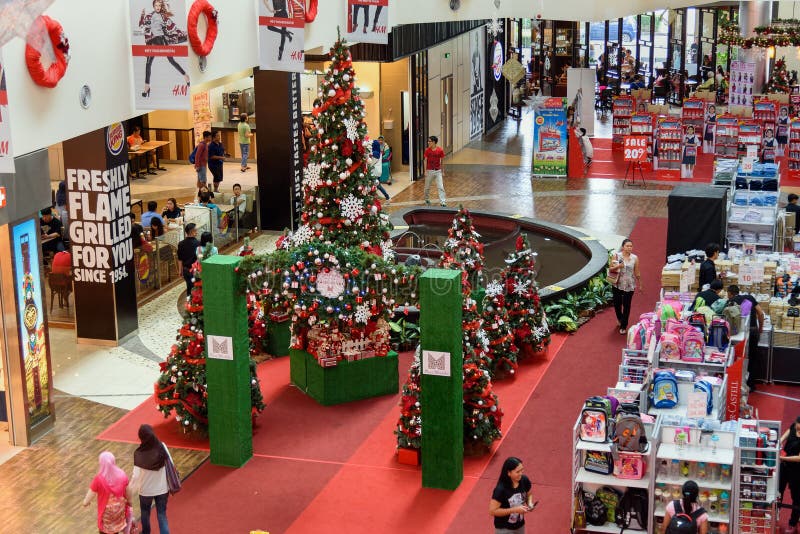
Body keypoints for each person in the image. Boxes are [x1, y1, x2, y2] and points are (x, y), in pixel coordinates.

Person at [139, 0, 190, 98]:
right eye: (156, 5)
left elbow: (173, 27)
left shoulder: (163, 16)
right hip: (152, 42)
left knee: (171, 60)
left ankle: (185, 75)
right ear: (153, 6)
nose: (157, 7)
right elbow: (142, 26)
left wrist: (181, 33)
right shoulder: (149, 16)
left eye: (159, 5)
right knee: (148, 64)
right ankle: (147, 87)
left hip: (162, 41)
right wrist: (142, 15)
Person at [131, 424, 171, 534]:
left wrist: (129, 491)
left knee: (145, 513)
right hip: (162, 489)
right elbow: (170, 464)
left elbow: (135, 476)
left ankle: (146, 532)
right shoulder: (162, 446)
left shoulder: (139, 453)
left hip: (145, 491)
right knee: (162, 514)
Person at [82, 451, 132, 534]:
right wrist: (129, 503)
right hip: (119, 510)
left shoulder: (98, 479)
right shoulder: (122, 475)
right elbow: (128, 492)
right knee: (116, 529)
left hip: (107, 514)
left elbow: (88, 497)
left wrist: (85, 503)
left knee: (105, 531)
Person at [727, 284, 765, 392]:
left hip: (739, 335)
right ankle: (751, 385)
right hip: (753, 331)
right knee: (753, 358)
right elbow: (760, 313)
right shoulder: (750, 298)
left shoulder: (731, 302)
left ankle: (738, 385)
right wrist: (760, 328)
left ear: (729, 293)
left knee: (738, 359)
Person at [489, 457, 534, 533]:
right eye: (517, 472)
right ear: (509, 473)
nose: (521, 473)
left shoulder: (524, 480)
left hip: (520, 525)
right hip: (504, 529)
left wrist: (530, 503)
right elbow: (492, 511)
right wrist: (514, 510)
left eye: (522, 470)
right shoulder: (500, 489)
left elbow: (529, 494)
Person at [609, 238, 642, 334]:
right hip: (617, 284)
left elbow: (637, 271)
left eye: (631, 246)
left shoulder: (635, 258)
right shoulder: (616, 256)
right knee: (617, 304)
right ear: (623, 247)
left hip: (629, 284)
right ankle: (619, 318)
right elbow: (611, 268)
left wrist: (640, 284)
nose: (629, 248)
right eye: (627, 246)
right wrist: (619, 266)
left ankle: (624, 326)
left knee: (627, 306)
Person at [779, 416, 800, 532]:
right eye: (796, 423)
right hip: (785, 466)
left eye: (798, 425)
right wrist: (779, 442)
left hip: (797, 471)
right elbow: (786, 434)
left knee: (796, 498)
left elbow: (799, 458)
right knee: (778, 491)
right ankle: (775, 515)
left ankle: (793, 523)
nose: (796, 426)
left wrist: (783, 457)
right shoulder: (794, 426)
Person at [423, 135, 446, 207]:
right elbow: (425, 161)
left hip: (438, 171)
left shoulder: (440, 150)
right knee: (427, 187)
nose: (428, 142)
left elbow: (442, 161)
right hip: (429, 171)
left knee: (441, 187)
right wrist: (425, 171)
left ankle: (443, 202)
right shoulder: (427, 150)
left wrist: (442, 171)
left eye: (429, 141)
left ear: (434, 142)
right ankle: (426, 199)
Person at [177, 223, 200, 294]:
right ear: (191, 232)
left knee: (189, 287)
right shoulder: (198, 243)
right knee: (196, 289)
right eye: (196, 230)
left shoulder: (181, 244)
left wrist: (180, 270)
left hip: (186, 270)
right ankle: (194, 303)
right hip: (195, 270)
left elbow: (180, 259)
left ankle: (189, 302)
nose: (197, 232)